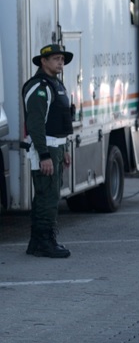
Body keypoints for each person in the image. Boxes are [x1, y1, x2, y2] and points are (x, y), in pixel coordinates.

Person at [22, 44, 74, 258]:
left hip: (57, 147)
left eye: (62, 58)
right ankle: (44, 242)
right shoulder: (39, 87)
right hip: (46, 150)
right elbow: (36, 125)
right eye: (56, 58)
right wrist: (44, 156)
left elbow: (61, 119)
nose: (60, 62)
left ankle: (37, 242)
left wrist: (66, 148)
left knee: (49, 195)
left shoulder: (56, 84)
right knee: (47, 197)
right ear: (43, 61)